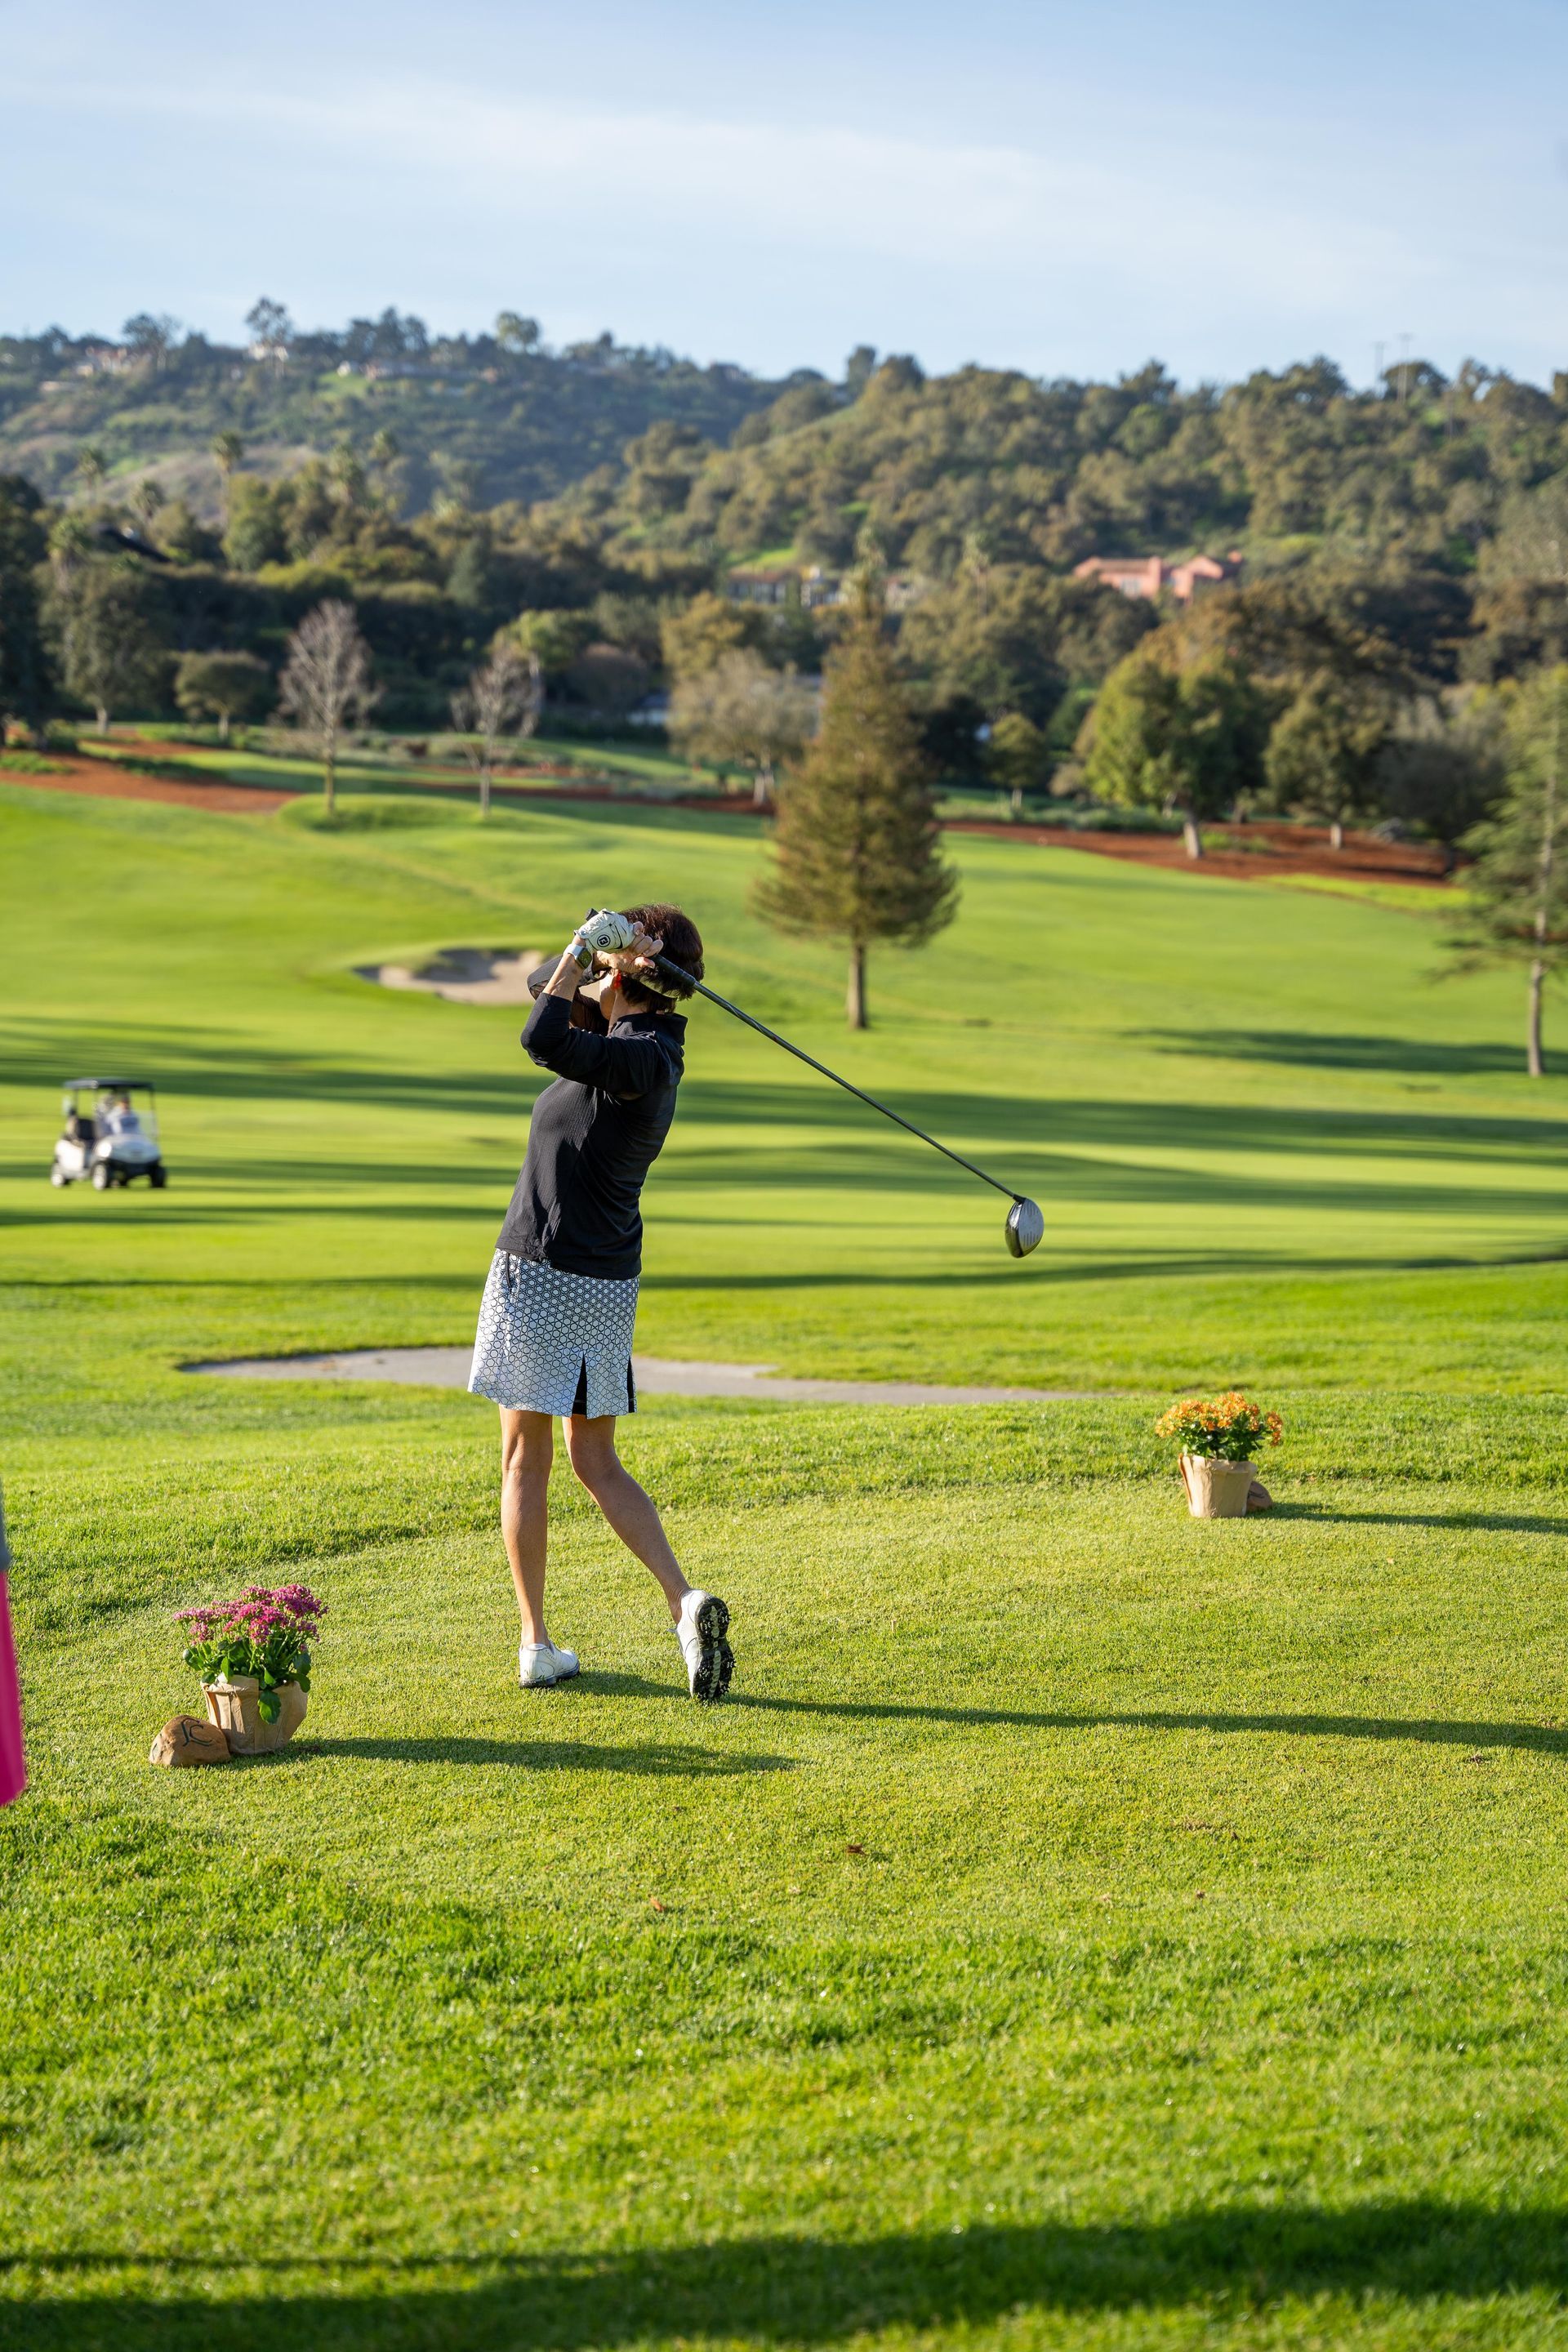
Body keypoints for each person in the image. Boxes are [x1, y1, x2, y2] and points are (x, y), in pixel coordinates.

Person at [467, 903, 734, 1701]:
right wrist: (594, 957)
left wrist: (590, 949)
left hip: (545, 1270)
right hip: (602, 1284)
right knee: (594, 1460)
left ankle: (536, 1644)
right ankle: (684, 1604)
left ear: (638, 968)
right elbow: (541, 992)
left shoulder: (635, 1057)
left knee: (526, 1460)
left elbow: (539, 1037)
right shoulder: (643, 1045)